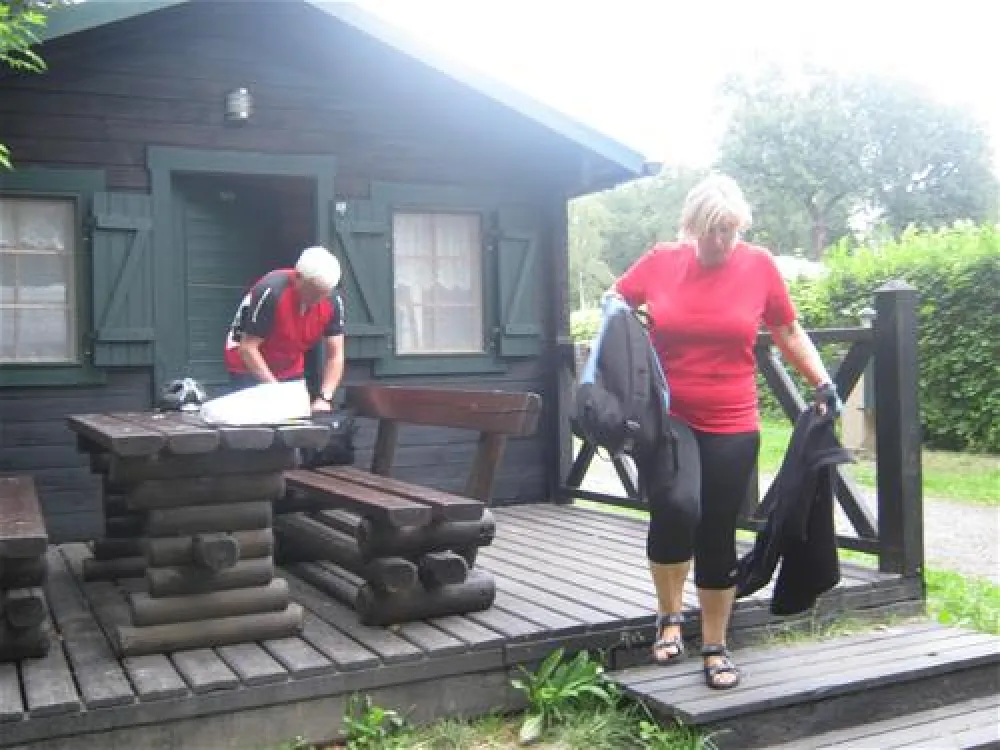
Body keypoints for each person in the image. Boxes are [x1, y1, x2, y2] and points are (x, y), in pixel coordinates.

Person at [609, 174, 842, 689]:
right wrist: (629, 326)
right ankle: (670, 616)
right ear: (691, 227)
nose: (721, 242)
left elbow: (786, 329)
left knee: (716, 530)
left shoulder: (758, 265)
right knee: (675, 505)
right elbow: (615, 304)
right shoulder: (661, 260)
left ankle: (715, 642)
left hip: (734, 420)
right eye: (712, 231)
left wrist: (821, 380)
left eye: (730, 232)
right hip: (669, 415)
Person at [224, 245, 346, 413]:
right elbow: (248, 348)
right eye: (313, 292)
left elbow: (336, 355)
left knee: (295, 422)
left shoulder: (332, 301)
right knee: (258, 422)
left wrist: (325, 397)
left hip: (290, 364)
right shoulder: (271, 292)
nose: (318, 299)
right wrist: (276, 391)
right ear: (298, 277)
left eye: (324, 293)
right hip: (248, 363)